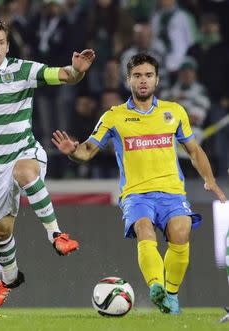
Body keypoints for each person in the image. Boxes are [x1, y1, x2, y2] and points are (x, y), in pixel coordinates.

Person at [52, 53, 227, 314]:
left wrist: (209, 180)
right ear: (128, 80)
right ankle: (156, 286)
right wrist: (72, 151)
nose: (143, 81)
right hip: (136, 194)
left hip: (171, 191)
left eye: (148, 75)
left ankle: (171, 294)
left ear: (156, 80)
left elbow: (193, 150)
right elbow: (88, 150)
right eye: (137, 76)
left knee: (181, 233)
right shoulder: (114, 116)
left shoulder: (174, 112)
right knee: (145, 230)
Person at [0, 18, 95, 308]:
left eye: (1, 43)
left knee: (25, 171)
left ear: (8, 46)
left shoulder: (23, 69)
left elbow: (63, 75)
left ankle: (56, 235)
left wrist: (77, 71)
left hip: (23, 150)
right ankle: (9, 278)